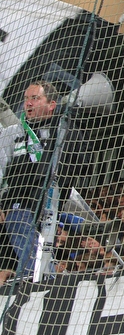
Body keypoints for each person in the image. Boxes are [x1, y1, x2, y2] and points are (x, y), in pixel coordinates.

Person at [0, 81, 65, 282]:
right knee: (26, 243)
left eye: (35, 98)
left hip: (53, 204)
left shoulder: (62, 129)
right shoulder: (12, 133)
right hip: (20, 206)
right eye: (26, 98)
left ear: (51, 104)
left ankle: (46, 285)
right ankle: (42, 286)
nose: (28, 103)